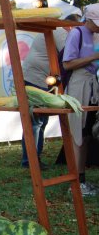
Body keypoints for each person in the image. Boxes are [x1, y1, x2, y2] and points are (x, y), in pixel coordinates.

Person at [20, 13, 81, 170]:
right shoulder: (60, 31)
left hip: (38, 77)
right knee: (36, 121)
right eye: (76, 28)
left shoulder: (55, 31)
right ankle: (30, 161)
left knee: (38, 120)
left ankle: (31, 158)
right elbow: (69, 54)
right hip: (36, 78)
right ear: (70, 26)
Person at [63, 3, 99, 197]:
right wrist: (94, 56)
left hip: (93, 85)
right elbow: (67, 63)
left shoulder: (96, 34)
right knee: (77, 133)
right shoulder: (76, 33)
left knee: (85, 135)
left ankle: (81, 179)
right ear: (89, 20)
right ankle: (74, 183)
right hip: (79, 84)